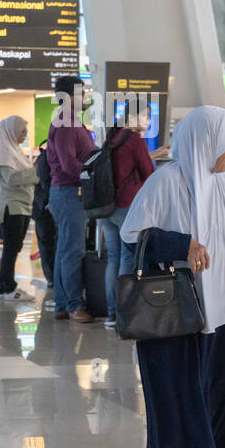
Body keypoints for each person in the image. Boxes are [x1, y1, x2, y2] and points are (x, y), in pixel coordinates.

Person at [120, 106, 225, 448]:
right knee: (179, 385)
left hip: (224, 301)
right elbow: (134, 235)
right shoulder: (166, 183)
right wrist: (184, 243)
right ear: (205, 143)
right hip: (178, 305)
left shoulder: (223, 184)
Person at [98, 106, 156, 328]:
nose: (149, 121)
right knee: (127, 258)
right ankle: (125, 313)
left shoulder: (113, 135)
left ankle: (112, 314)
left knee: (113, 258)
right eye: (146, 115)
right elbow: (148, 174)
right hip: (127, 207)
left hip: (107, 207)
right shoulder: (134, 139)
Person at [46, 75, 97, 323]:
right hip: (69, 192)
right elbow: (69, 165)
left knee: (65, 249)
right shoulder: (66, 123)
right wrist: (93, 174)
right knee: (72, 250)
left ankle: (63, 304)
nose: (85, 97)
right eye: (81, 93)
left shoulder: (71, 121)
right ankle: (75, 305)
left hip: (66, 192)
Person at [0, 115, 38, 303]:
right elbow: (11, 180)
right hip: (12, 206)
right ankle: (7, 287)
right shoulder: (4, 154)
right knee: (11, 248)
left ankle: (6, 285)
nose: (24, 135)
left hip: (23, 205)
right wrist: (36, 173)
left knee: (15, 248)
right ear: (11, 132)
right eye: (22, 131)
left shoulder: (16, 151)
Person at [32, 138, 57, 307]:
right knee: (47, 244)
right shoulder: (45, 158)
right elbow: (46, 183)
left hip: (46, 206)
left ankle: (53, 278)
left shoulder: (49, 156)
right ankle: (52, 279)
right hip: (44, 208)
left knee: (49, 243)